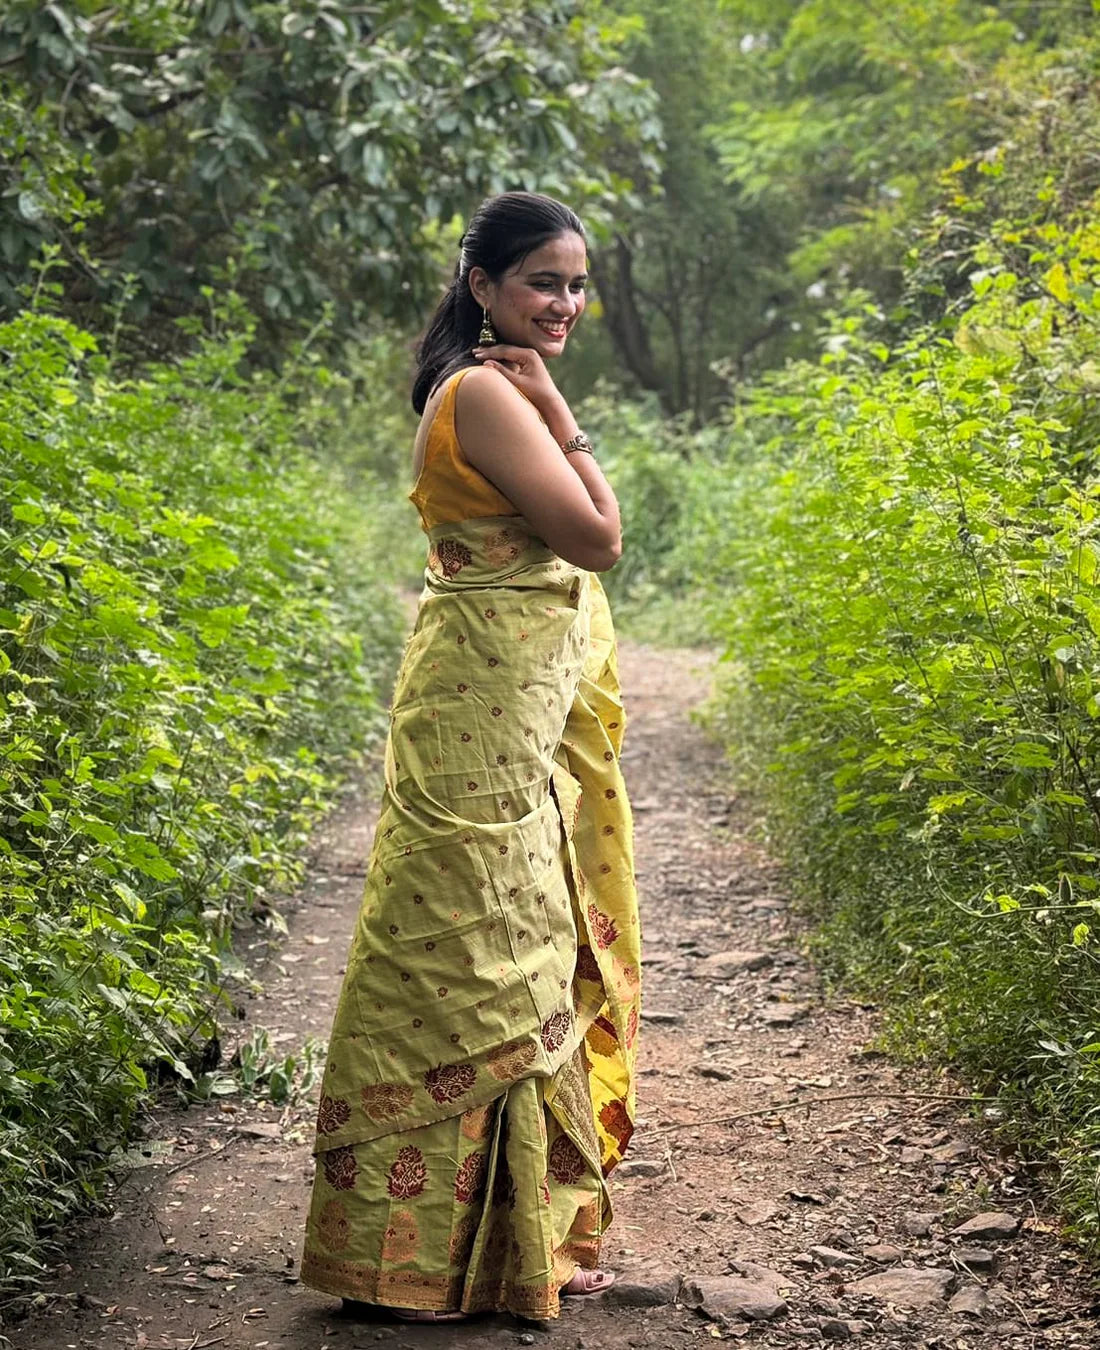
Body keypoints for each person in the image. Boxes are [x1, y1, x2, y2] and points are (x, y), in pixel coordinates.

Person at [300, 191, 641, 1325]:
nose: (564, 303)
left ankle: (494, 1246)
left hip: (495, 697)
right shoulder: (486, 392)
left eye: (577, 283)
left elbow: (583, 544)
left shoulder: (500, 388)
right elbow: (598, 538)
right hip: (477, 707)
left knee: (511, 938)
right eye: (543, 281)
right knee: (470, 950)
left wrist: (554, 401)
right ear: (482, 284)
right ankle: (418, 1257)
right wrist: (563, 414)